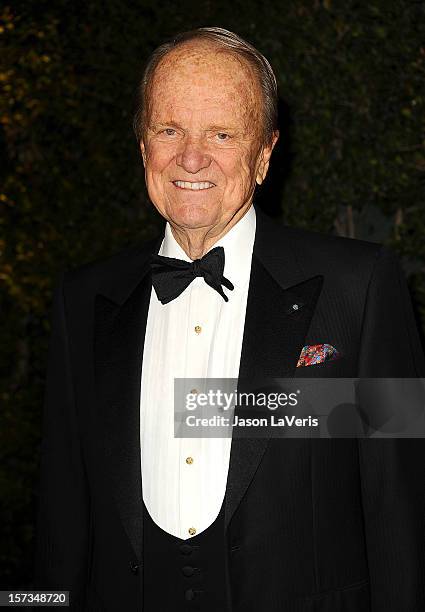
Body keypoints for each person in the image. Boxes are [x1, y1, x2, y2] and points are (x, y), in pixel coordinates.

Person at [33, 27, 425, 611]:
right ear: (143, 145)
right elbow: (60, 521)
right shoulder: (83, 299)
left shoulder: (357, 288)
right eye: (169, 130)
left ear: (264, 153)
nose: (191, 157)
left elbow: (402, 518)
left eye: (221, 133)